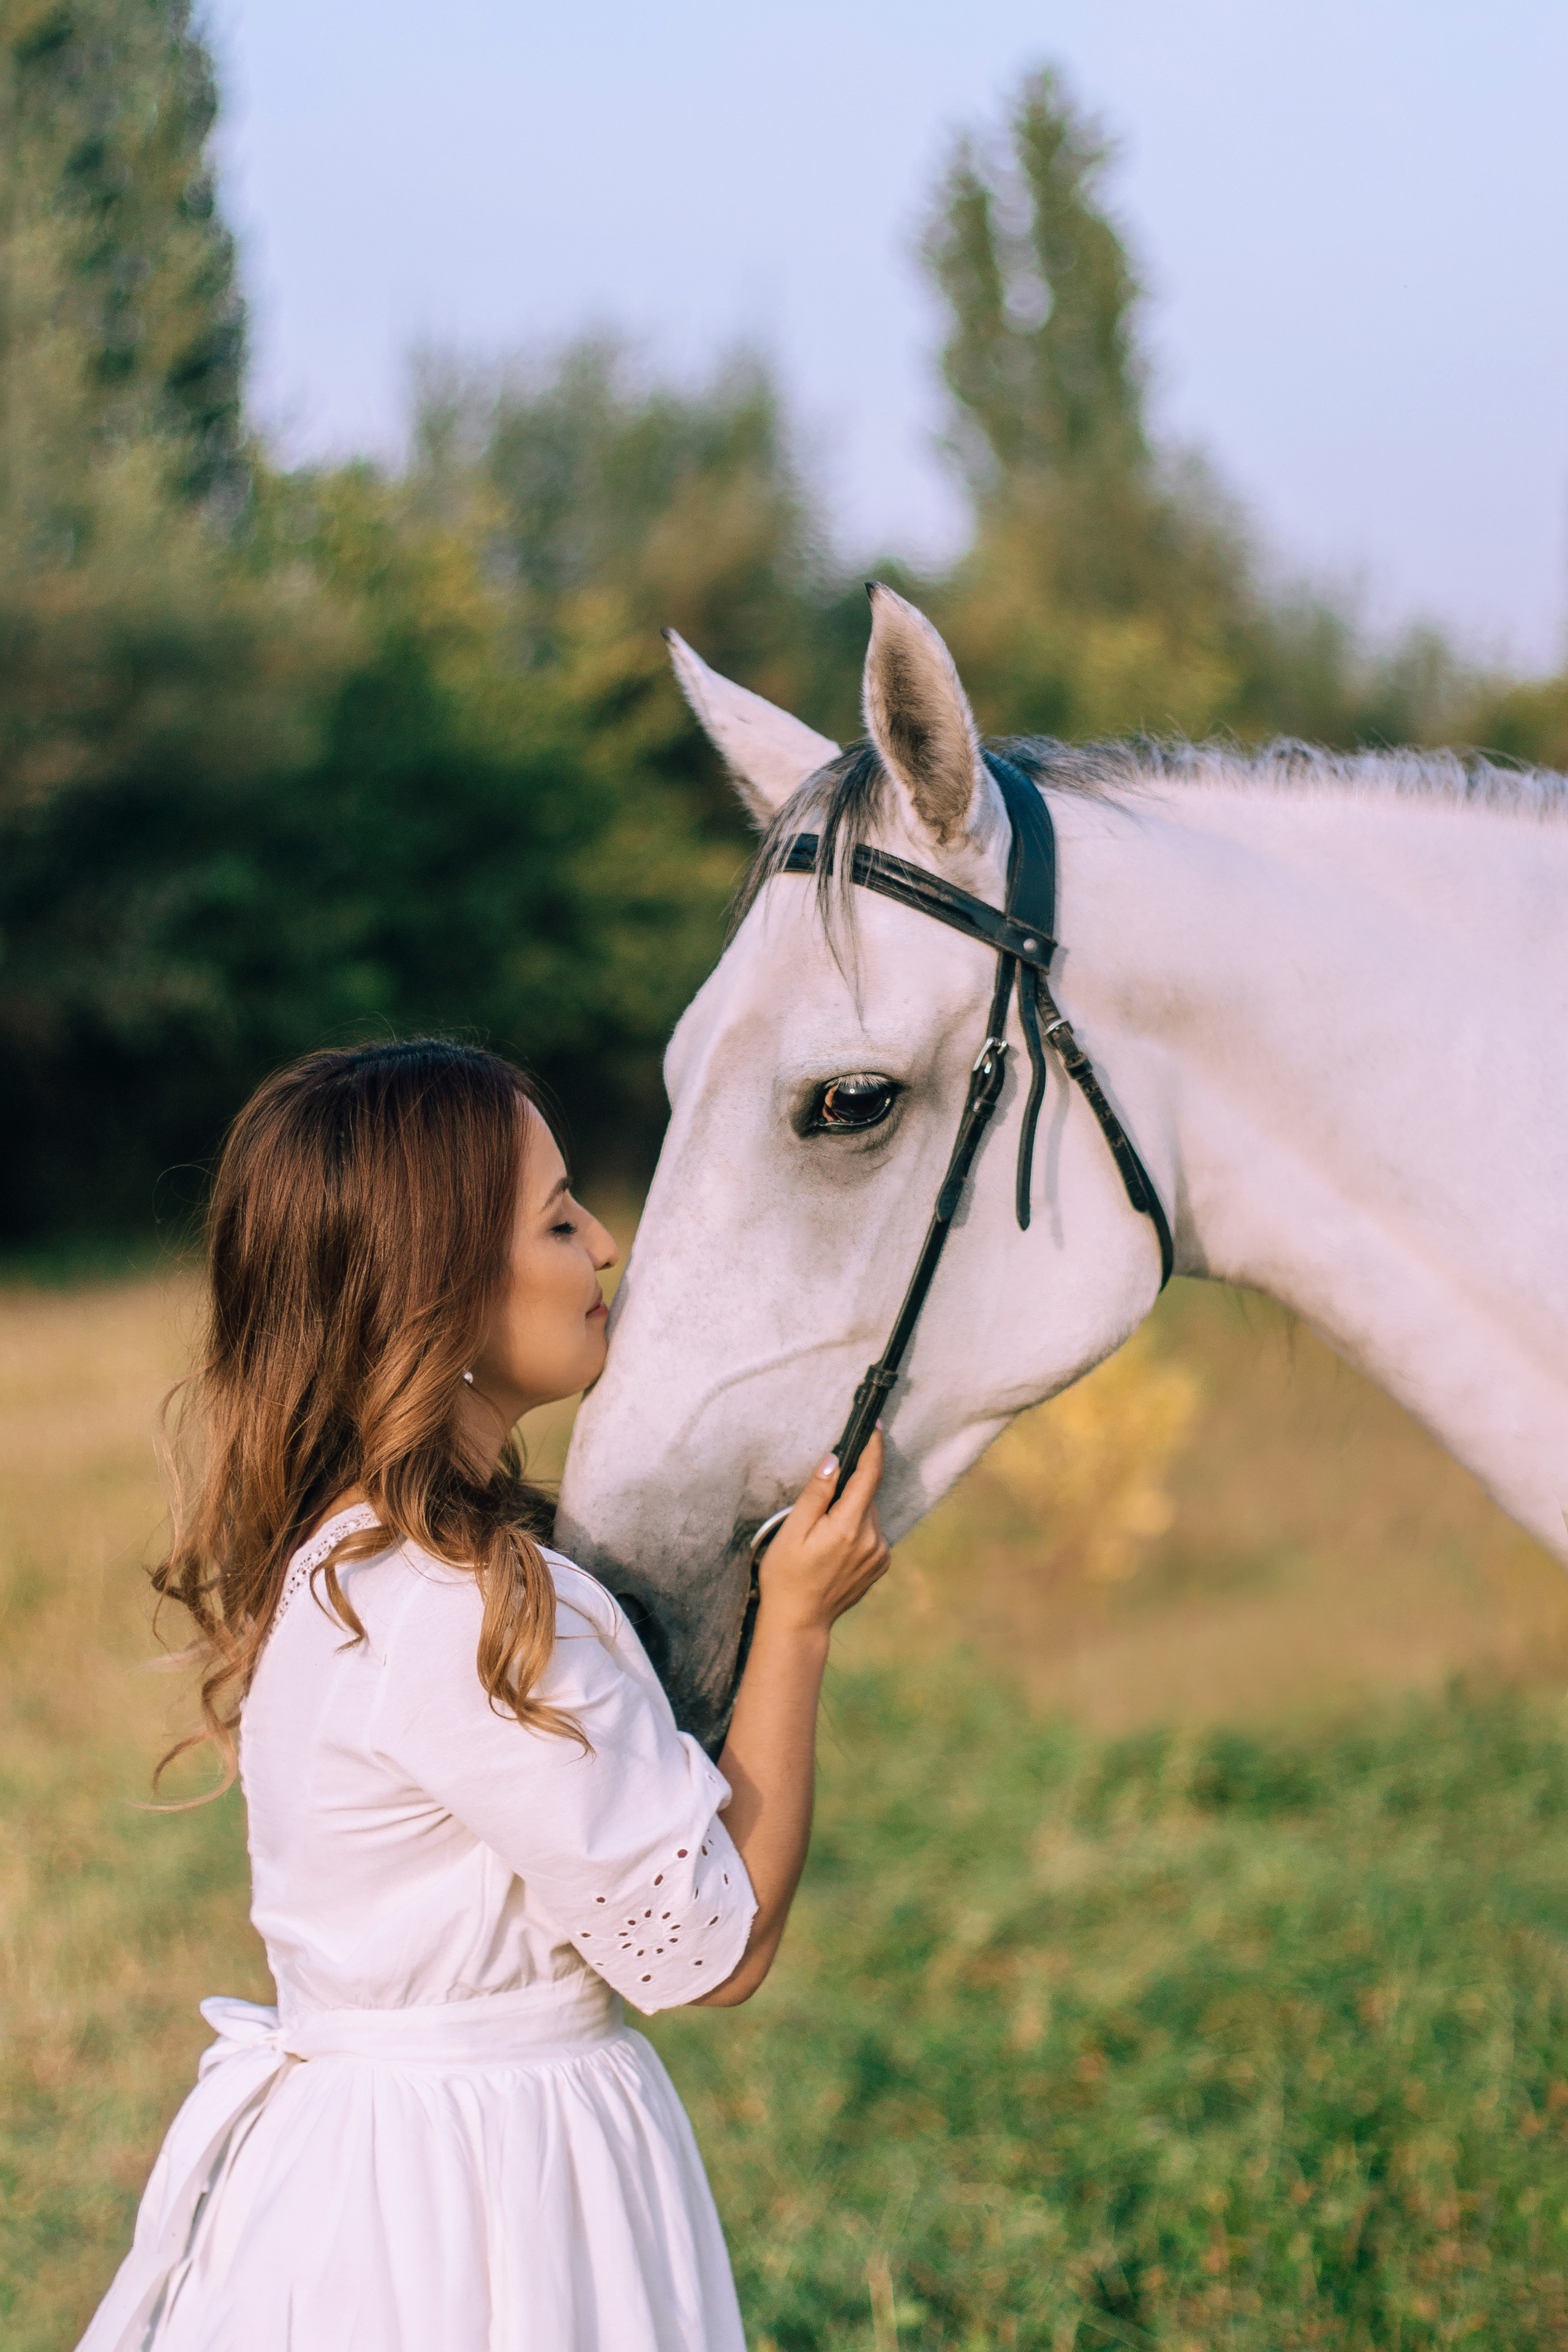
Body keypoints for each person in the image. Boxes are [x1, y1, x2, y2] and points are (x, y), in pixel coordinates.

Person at [78, 1038, 889, 2352]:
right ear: (439, 1293)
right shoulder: (465, 1604)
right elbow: (714, 1950)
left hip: (360, 2163)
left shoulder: (347, 1562)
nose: (606, 1247)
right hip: (484, 2186)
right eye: (559, 1220)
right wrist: (796, 1622)